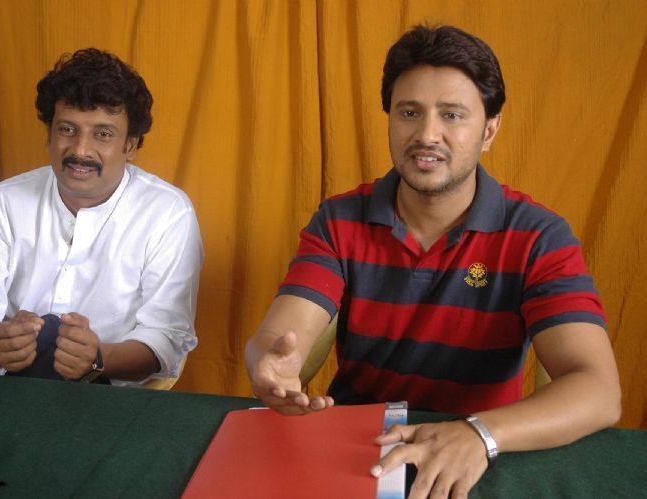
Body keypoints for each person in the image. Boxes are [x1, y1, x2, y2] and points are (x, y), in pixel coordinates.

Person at [245, 25, 620, 497]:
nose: (426, 135)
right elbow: (279, 338)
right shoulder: (339, 219)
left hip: (483, 451)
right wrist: (266, 365)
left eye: (452, 115)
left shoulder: (539, 236)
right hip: (360, 449)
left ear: (489, 130)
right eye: (409, 113)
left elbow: (598, 391)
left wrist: (479, 434)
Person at [0, 48, 203, 387]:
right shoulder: (4, 202)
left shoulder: (167, 213)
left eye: (103, 134)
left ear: (131, 145)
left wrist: (100, 358)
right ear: (49, 135)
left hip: (103, 395)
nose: (80, 150)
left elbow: (166, 336)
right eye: (67, 129)